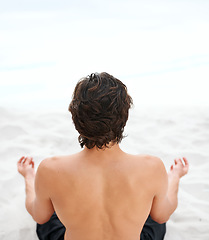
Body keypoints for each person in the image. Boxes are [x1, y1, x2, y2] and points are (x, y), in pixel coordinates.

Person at [17, 72, 189, 240]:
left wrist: (29, 177)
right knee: (153, 207)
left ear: (75, 118)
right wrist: (175, 176)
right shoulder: (152, 166)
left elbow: (39, 216)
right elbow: (162, 215)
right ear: (125, 117)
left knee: (50, 210)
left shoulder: (51, 168)